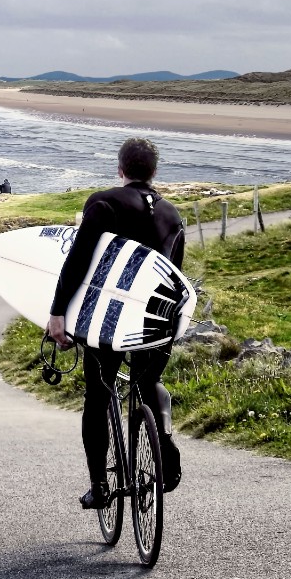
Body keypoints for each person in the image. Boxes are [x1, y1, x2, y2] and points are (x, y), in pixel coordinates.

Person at [47, 137, 186, 509]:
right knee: (150, 381)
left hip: (109, 322)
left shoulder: (104, 202)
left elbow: (77, 262)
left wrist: (58, 312)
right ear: (154, 171)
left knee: (98, 392)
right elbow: (176, 279)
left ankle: (100, 486)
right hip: (154, 324)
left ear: (120, 168)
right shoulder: (173, 216)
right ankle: (165, 439)